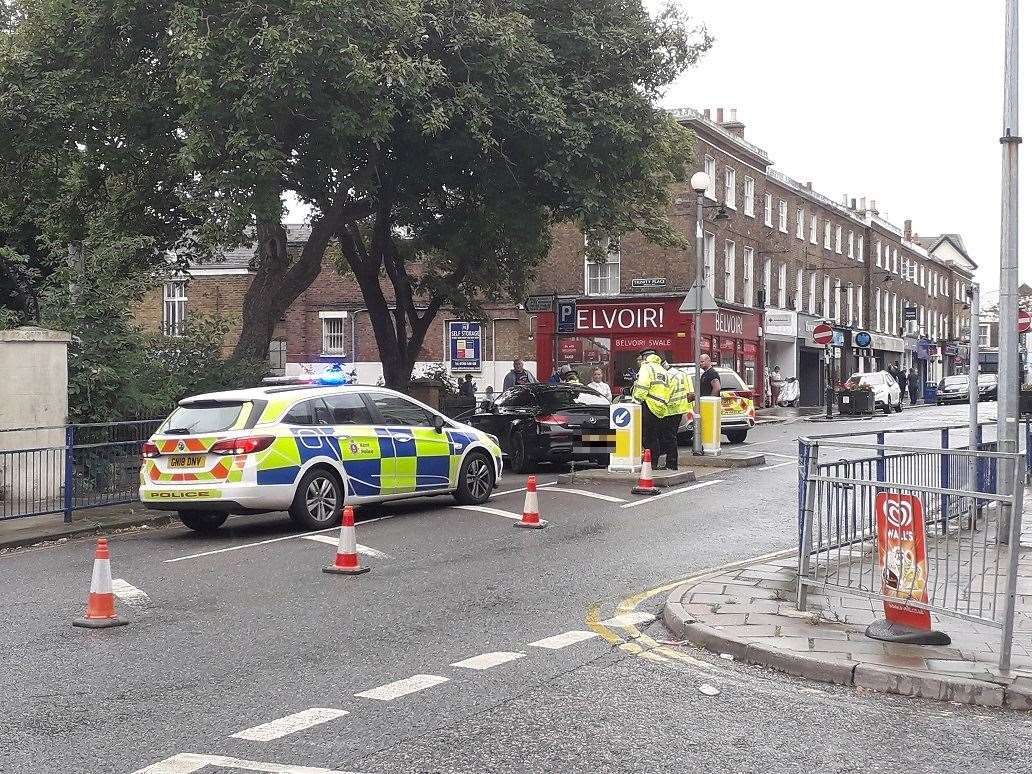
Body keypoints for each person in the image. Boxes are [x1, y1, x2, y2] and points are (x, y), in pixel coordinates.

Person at [631, 349, 672, 466]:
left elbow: (643, 386)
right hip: (660, 408)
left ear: (645, 358)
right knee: (654, 436)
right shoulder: (662, 370)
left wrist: (636, 401)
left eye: (641, 358)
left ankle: (650, 462)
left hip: (648, 405)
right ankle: (654, 461)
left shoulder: (646, 367)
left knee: (646, 436)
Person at [663, 362, 693, 470]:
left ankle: (671, 464)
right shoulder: (679, 374)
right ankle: (671, 464)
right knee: (672, 437)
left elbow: (666, 394)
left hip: (671, 410)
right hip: (679, 409)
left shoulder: (669, 376)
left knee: (670, 438)